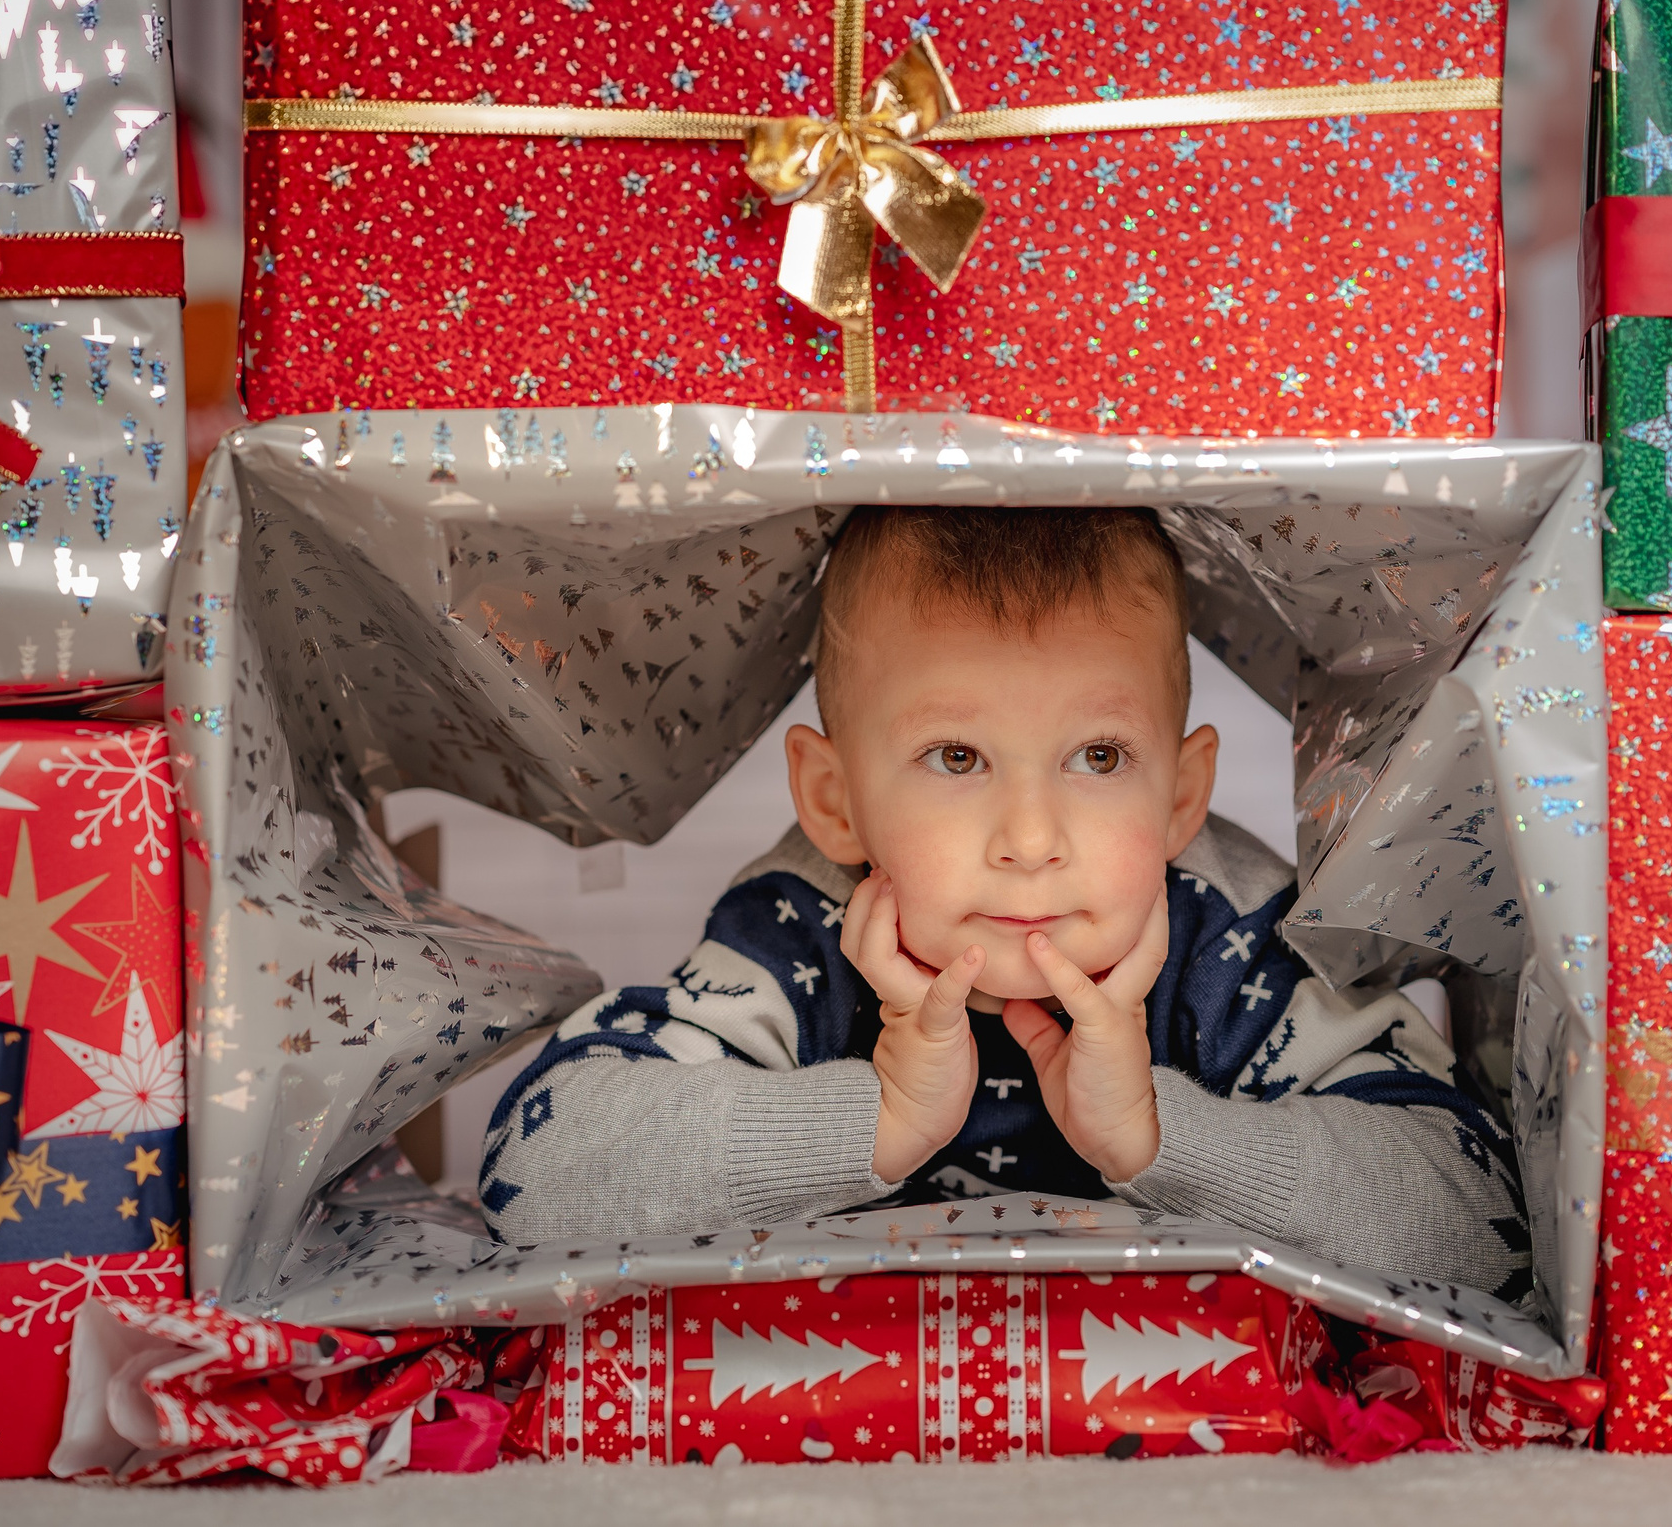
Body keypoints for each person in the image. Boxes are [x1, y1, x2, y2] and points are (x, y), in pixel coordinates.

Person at [477, 507, 1530, 1303]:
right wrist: (874, 1117)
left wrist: (1165, 1135)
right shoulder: (804, 921)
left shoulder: (1231, 937)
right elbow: (536, 1175)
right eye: (956, 757)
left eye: (1098, 756)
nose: (1031, 840)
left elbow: (1477, 1228)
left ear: (1178, 796)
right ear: (836, 803)